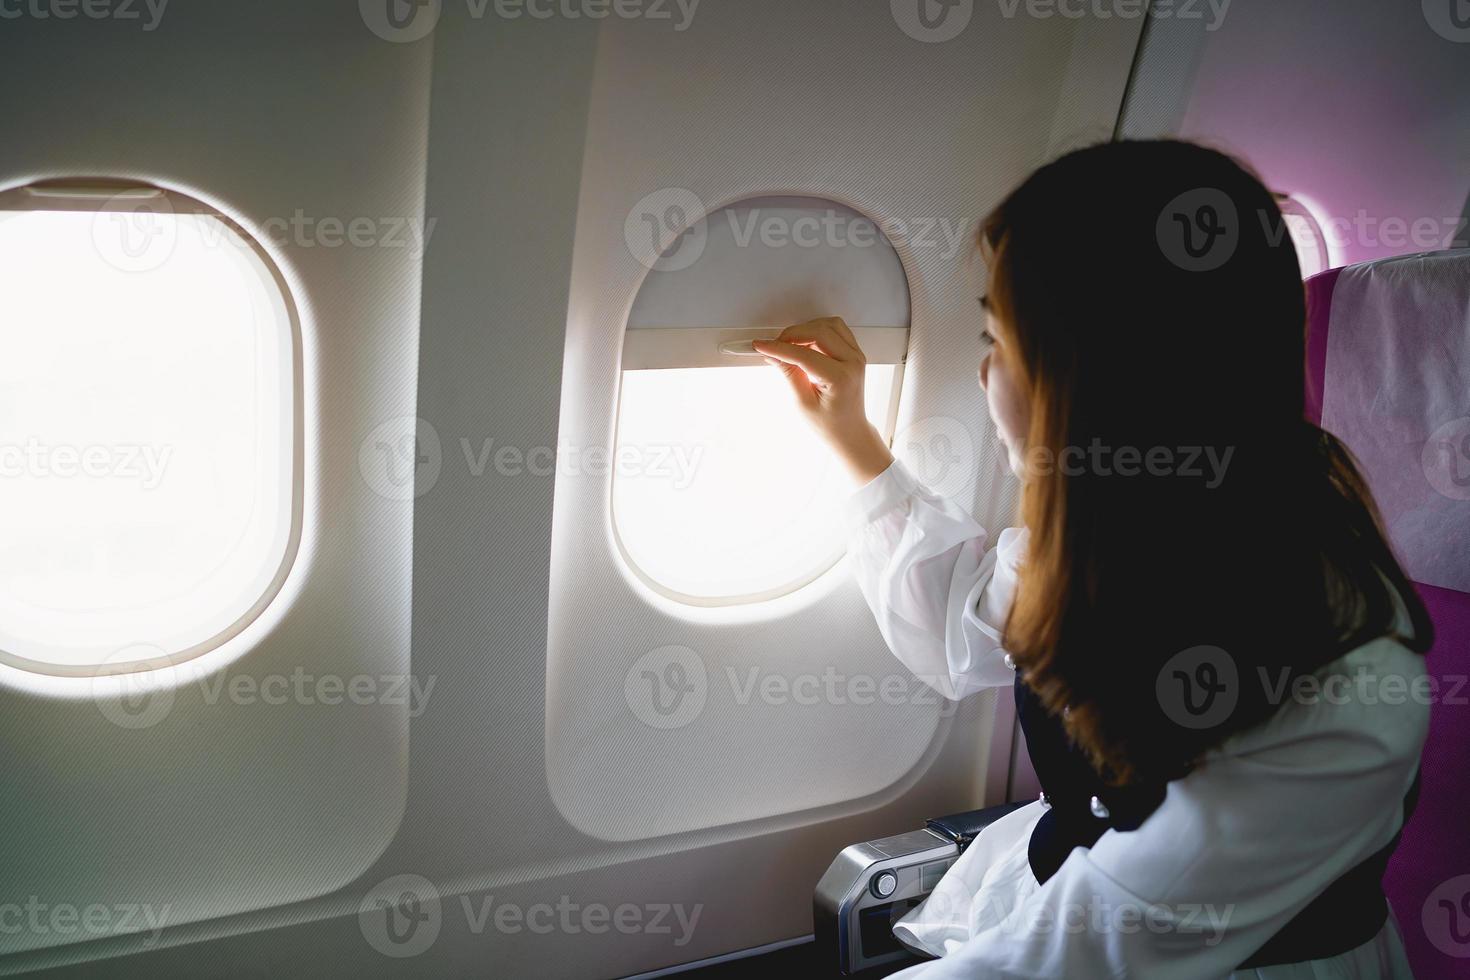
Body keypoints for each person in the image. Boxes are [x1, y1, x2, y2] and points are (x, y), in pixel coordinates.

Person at [753, 140, 1432, 978]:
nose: (982, 373)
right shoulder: (1134, 523)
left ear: (1098, 376)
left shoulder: (1338, 678)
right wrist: (855, 441)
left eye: (1002, 340)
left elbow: (1089, 952)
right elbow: (966, 629)